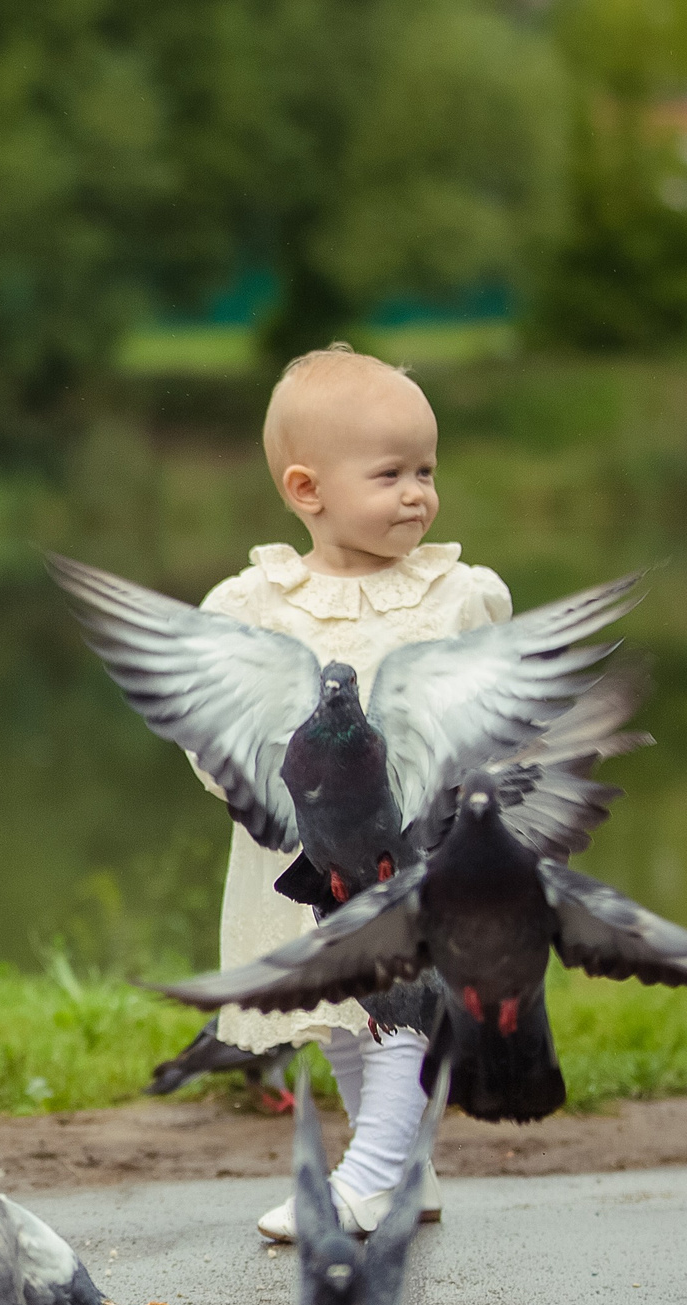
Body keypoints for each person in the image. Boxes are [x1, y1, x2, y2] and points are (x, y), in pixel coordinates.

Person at [197, 345, 510, 1242]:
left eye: (426, 470)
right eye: (391, 473)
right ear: (307, 489)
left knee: (397, 1001)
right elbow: (209, 717)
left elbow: (496, 705)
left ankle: (370, 1174)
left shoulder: (454, 596)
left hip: (408, 859)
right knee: (336, 1011)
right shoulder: (255, 603)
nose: (418, 492)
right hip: (296, 854)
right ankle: (406, 1166)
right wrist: (243, 784)